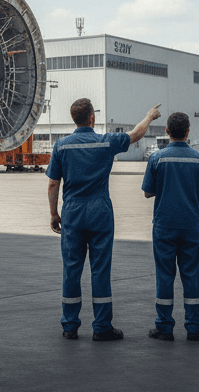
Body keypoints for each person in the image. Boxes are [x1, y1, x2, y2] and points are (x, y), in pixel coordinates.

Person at [46, 98, 162, 341]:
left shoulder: (61, 146)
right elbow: (135, 135)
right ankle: (101, 327)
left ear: (74, 119)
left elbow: (53, 184)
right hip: (99, 211)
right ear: (92, 118)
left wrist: (54, 213)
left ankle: (70, 326)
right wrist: (149, 116)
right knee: (100, 269)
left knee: (71, 269)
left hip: (73, 212)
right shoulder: (105, 142)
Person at [140, 111, 199, 342]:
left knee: (165, 275)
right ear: (188, 132)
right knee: (191, 275)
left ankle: (164, 327)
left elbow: (147, 192)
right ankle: (194, 328)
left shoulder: (157, 158)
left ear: (167, 131)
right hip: (190, 225)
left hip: (164, 225)